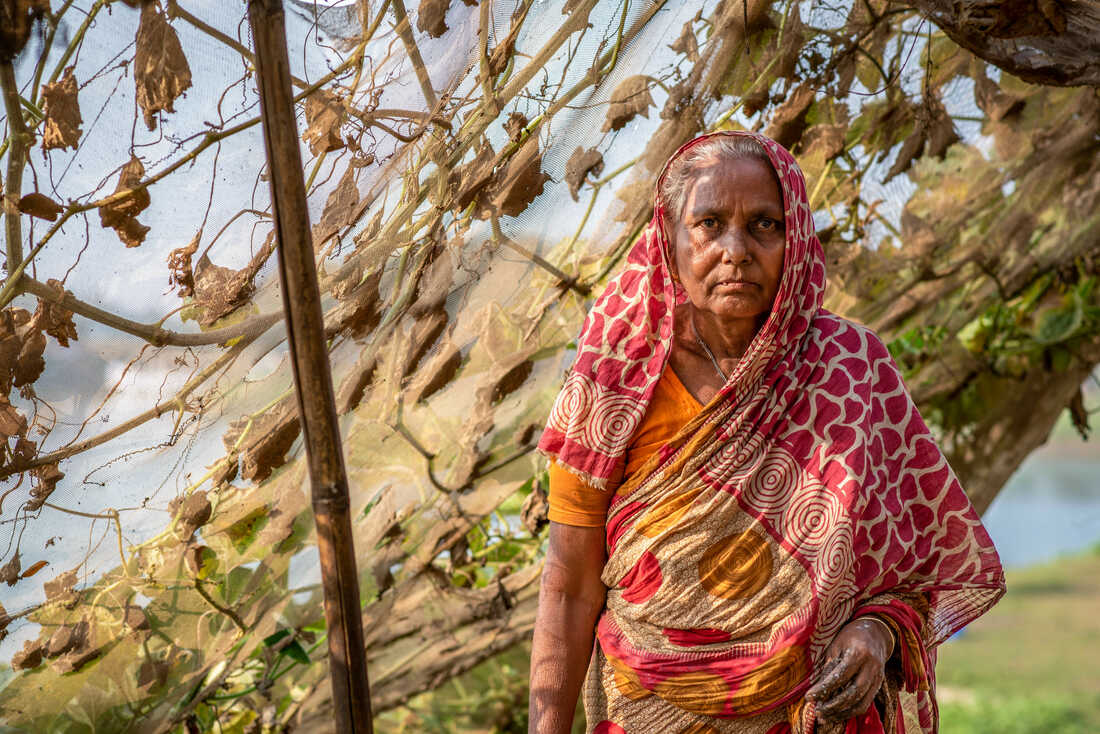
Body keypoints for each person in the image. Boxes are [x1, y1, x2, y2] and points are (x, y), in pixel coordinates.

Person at [528, 130, 1005, 734]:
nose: (735, 249)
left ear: (795, 238)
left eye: (763, 225)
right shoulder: (614, 380)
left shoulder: (850, 371)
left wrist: (875, 632)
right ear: (668, 240)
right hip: (643, 710)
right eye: (707, 223)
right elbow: (569, 587)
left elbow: (911, 570)